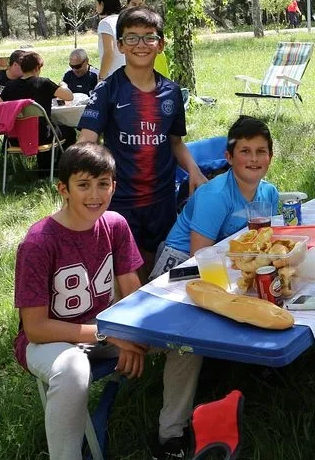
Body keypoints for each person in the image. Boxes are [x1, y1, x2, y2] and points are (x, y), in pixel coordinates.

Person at [13, 142, 202, 460]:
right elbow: (36, 328)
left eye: (103, 184)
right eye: (83, 185)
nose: (95, 195)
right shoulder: (38, 242)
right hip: (52, 341)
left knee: (187, 338)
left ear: (114, 186)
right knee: (73, 370)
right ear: (64, 189)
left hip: (108, 328)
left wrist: (134, 335)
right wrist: (110, 333)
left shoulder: (114, 224)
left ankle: (171, 435)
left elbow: (131, 294)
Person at [78, 6, 206, 280]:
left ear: (160, 44)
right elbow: (87, 141)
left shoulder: (171, 92)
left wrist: (194, 171)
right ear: (120, 45)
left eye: (149, 37)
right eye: (132, 37)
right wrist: (84, 185)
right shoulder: (107, 91)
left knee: (160, 272)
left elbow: (175, 142)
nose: (141, 44)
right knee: (128, 276)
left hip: (163, 201)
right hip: (121, 202)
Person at [153, 116, 280, 278]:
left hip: (224, 256)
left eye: (261, 151)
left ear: (271, 156)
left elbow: (263, 244)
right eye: (245, 151)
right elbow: (198, 258)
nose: (254, 159)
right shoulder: (216, 196)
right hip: (182, 260)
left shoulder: (270, 193)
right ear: (229, 157)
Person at [1, 51, 76, 154]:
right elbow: (69, 96)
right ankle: (61, 166)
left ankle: (45, 167)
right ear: (37, 68)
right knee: (69, 132)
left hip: (14, 138)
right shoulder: (43, 83)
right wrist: (64, 86)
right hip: (41, 136)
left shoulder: (9, 86)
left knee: (47, 129)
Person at [94, 0, 124, 81]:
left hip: (113, 77)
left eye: (96, 3)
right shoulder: (123, 20)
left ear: (102, 4)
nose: (95, 6)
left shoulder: (105, 23)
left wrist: (101, 77)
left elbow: (108, 53)